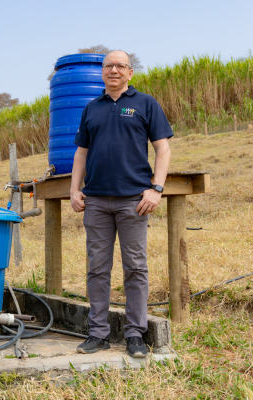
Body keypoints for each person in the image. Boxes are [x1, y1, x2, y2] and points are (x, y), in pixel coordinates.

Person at [70, 50, 173, 358]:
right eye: (108, 66)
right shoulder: (91, 108)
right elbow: (81, 154)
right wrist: (75, 189)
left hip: (134, 201)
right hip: (97, 201)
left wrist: (156, 188)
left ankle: (135, 335)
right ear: (103, 72)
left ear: (130, 73)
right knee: (97, 269)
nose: (113, 70)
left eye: (120, 66)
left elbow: (163, 149)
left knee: (136, 268)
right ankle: (98, 333)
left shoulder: (145, 104)